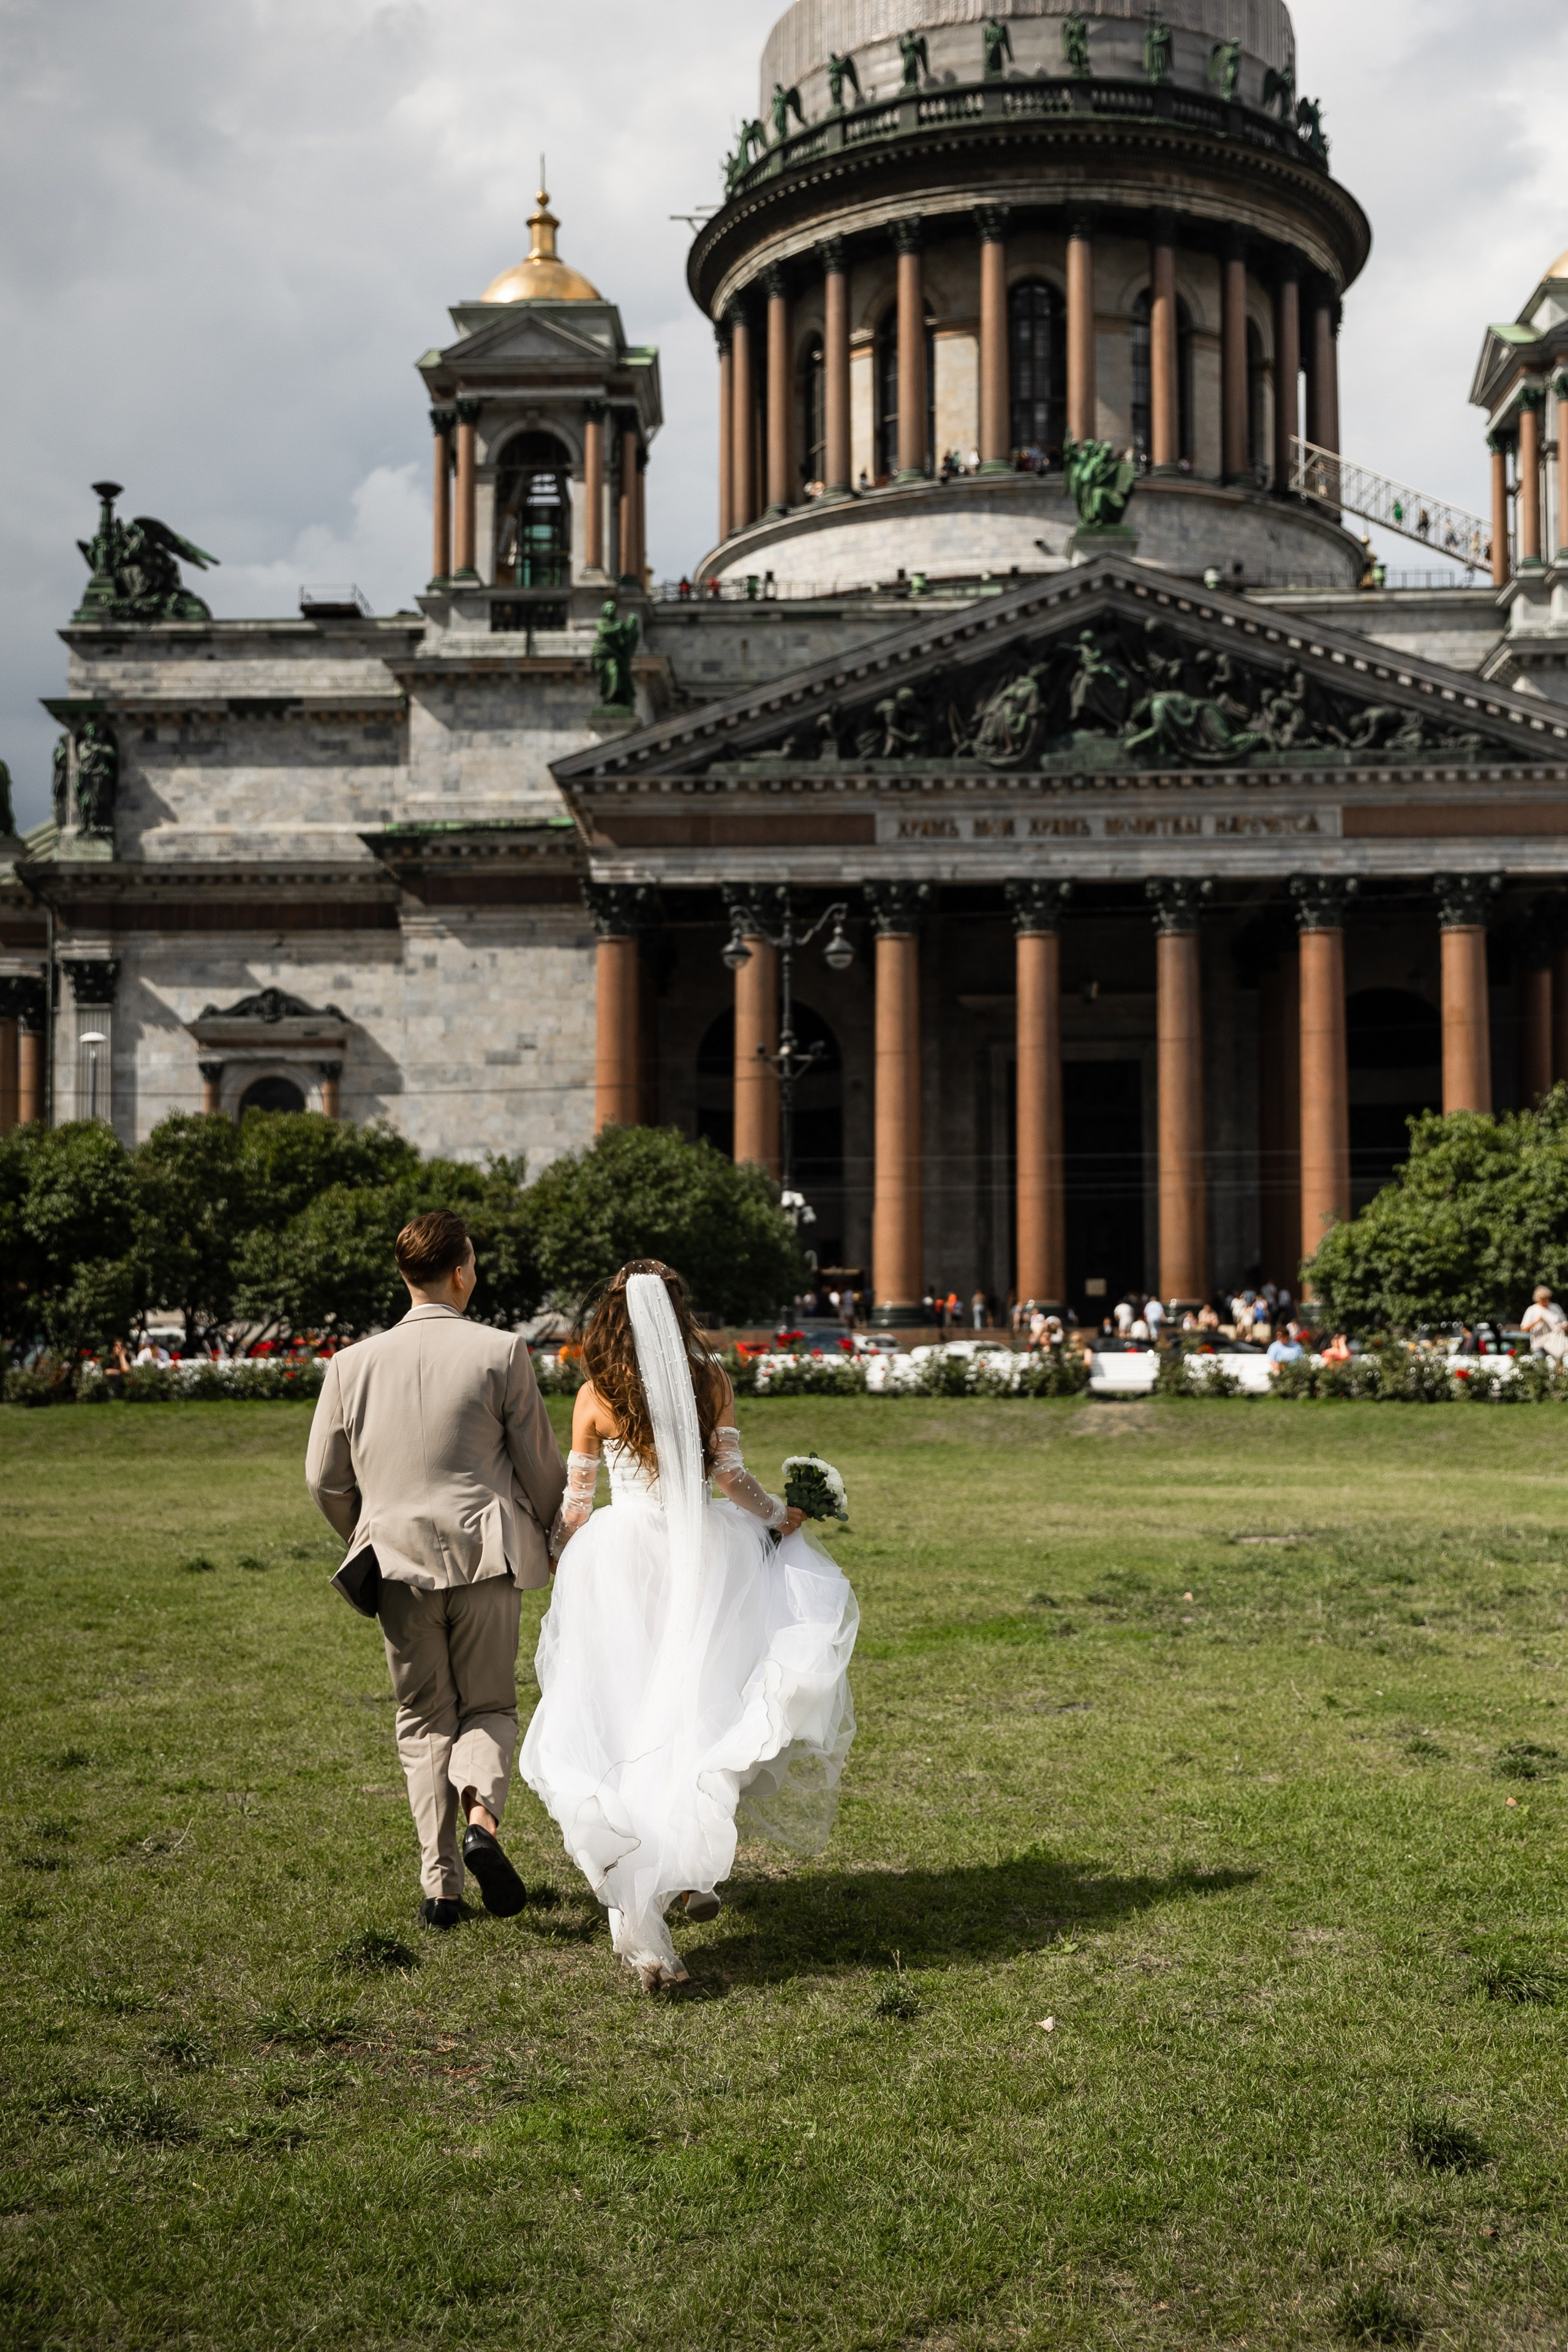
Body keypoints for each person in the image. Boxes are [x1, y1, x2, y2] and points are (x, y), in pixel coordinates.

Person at [522, 1262, 858, 1991]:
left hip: (621, 1558)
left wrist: (556, 1560)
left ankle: (655, 1883)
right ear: (678, 1312)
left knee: (628, 1717)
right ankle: (686, 1867)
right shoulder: (710, 1382)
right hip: (705, 1556)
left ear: (613, 1318)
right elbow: (730, 1478)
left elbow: (578, 1507)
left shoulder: (595, 1393)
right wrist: (778, 1516)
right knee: (702, 1707)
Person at [305, 1210, 567, 1932]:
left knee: (422, 1720)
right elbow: (540, 1465)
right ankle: (482, 1819)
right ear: (459, 1273)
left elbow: (323, 1480)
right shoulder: (502, 1351)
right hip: (486, 1559)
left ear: (404, 1275)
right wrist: (555, 1535)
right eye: (474, 1264)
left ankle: (441, 1888)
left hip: (395, 1567)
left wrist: (366, 1531)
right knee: (489, 1707)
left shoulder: (349, 1364)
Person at [1521, 1286, 1568, 1360]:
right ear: (1538, 1299)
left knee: (1559, 1367)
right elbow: (1524, 1329)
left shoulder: (1555, 1307)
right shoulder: (1532, 1310)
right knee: (1541, 1368)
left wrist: (1564, 1326)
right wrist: (1538, 1321)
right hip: (1539, 1345)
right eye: (1544, 1299)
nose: (1547, 1301)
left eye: (1548, 1298)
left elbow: (1565, 1322)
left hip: (1555, 1344)